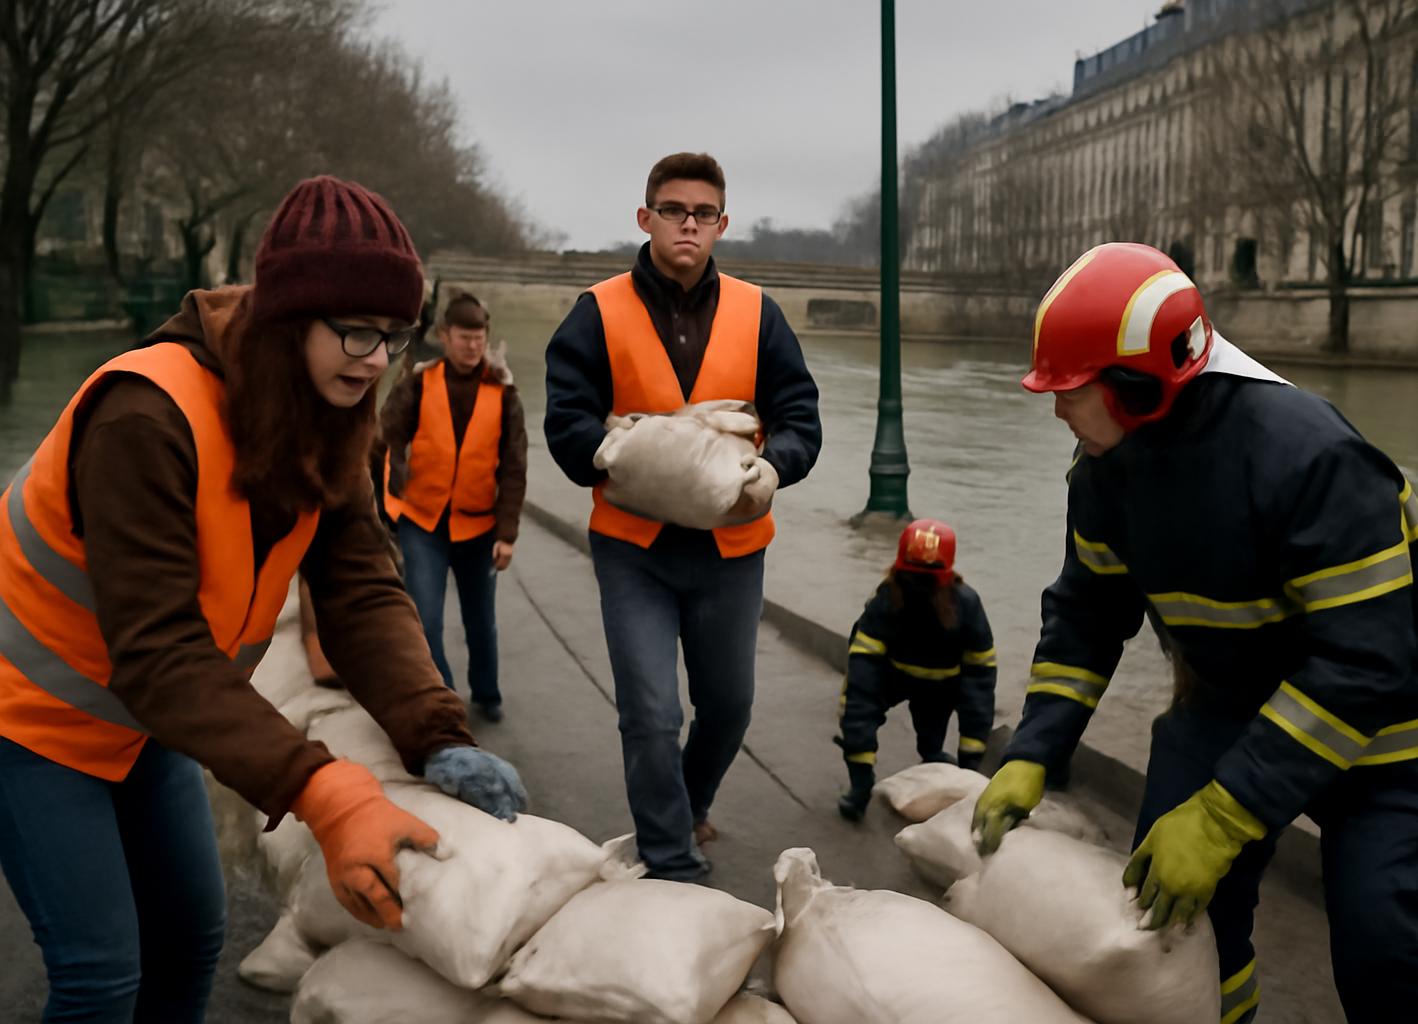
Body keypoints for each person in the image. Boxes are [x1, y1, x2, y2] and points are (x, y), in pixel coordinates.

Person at [0, 176, 528, 1023]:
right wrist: (330, 795)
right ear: (287, 318)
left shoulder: (330, 413)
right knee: (100, 973)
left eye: (392, 336)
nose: (372, 357)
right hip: (29, 720)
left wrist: (436, 734)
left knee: (189, 940)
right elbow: (162, 652)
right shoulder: (145, 417)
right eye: (353, 330)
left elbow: (361, 588)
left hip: (144, 724)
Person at [971, 243, 1418, 1024]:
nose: (1056, 407)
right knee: (1172, 918)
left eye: (1070, 389)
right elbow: (1088, 614)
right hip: (1238, 693)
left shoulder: (1312, 460)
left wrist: (1219, 817)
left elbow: (1363, 662)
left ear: (1140, 390)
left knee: (1381, 933)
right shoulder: (1104, 472)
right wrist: (1037, 749)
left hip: (1391, 726)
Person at [544, 152, 821, 881]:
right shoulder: (597, 311)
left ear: (722, 225)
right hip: (632, 547)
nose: (688, 223)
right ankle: (670, 859)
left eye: (702, 213)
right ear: (646, 218)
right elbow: (565, 420)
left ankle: (687, 804)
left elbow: (799, 416)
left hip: (732, 548)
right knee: (651, 712)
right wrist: (617, 453)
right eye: (673, 210)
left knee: (728, 706)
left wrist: (775, 467)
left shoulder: (759, 313)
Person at [381, 291, 527, 722]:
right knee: (424, 617)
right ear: (445, 336)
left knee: (480, 621)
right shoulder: (417, 385)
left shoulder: (504, 394)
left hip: (480, 528)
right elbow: (386, 441)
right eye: (464, 336)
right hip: (422, 521)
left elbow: (514, 468)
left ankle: (487, 691)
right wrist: (388, 501)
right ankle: (441, 695)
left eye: (479, 337)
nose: (473, 345)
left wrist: (507, 533)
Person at [835, 518, 997, 820]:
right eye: (912, 579)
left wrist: (970, 761)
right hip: (890, 677)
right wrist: (856, 724)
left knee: (932, 741)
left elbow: (980, 680)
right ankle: (860, 785)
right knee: (857, 717)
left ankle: (934, 759)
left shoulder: (967, 605)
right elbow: (863, 664)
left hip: (940, 689)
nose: (919, 589)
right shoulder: (885, 598)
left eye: (927, 580)